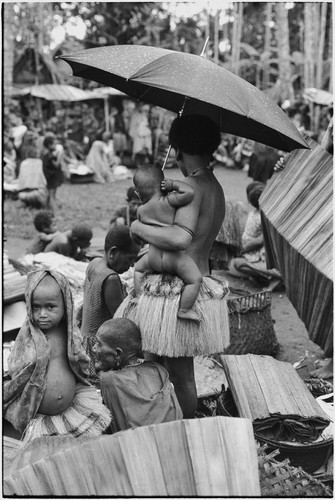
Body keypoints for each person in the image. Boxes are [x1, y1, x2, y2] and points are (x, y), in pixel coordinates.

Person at [116, 114, 230, 418]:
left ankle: (181, 429)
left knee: (174, 374)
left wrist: (140, 229)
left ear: (178, 149)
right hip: (196, 279)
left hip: (173, 291)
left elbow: (180, 238)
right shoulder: (214, 186)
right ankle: (173, 422)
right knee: (174, 371)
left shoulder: (191, 186)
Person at [3, 270, 111, 443]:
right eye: (36, 307)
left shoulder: (68, 334)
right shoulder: (28, 337)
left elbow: (79, 362)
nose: (42, 314)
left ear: (66, 306)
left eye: (50, 307)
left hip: (72, 410)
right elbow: (17, 368)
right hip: (39, 416)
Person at [133, 165, 203, 322]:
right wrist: (173, 184)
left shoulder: (141, 211)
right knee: (195, 279)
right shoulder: (169, 201)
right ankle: (184, 309)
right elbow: (189, 193)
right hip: (175, 259)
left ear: (138, 194)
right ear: (162, 184)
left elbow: (138, 235)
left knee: (137, 269)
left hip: (153, 258)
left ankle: (138, 298)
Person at [94, 318, 183, 433]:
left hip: (138, 445)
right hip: (173, 438)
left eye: (99, 344)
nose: (94, 348)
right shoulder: (158, 369)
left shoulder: (109, 380)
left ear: (118, 353)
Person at [81, 227, 140, 382]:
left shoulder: (94, 263)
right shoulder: (111, 278)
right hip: (100, 346)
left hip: (85, 341)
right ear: (113, 252)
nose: (131, 265)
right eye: (130, 259)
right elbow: (120, 320)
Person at [228, 183, 282, 287]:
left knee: (238, 264)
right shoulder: (255, 214)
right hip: (250, 251)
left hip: (255, 253)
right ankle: (267, 276)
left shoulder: (263, 217)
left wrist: (241, 250)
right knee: (234, 264)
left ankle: (275, 277)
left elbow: (259, 241)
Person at [41, 134, 64, 214]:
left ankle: (47, 207)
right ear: (49, 145)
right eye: (54, 144)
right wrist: (60, 156)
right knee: (52, 195)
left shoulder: (47, 154)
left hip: (49, 177)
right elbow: (56, 165)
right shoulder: (50, 155)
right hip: (51, 177)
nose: (55, 146)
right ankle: (54, 211)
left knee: (50, 194)